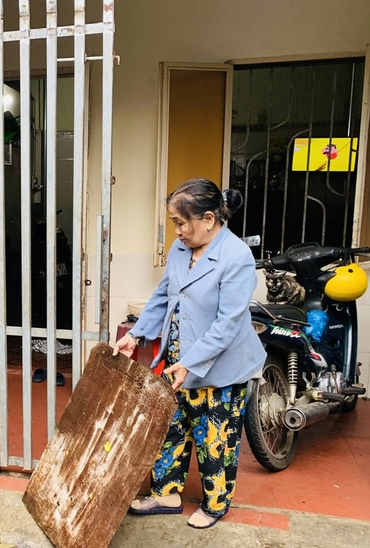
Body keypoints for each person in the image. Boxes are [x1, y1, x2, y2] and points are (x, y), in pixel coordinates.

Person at [112, 178, 266, 529]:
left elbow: (227, 324)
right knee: (170, 428)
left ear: (209, 219)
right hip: (176, 361)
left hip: (220, 366)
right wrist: (135, 335)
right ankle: (166, 493)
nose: (178, 231)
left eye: (182, 223)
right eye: (174, 224)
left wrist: (191, 363)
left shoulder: (237, 257)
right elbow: (163, 297)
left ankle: (215, 504)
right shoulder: (180, 251)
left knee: (215, 438)